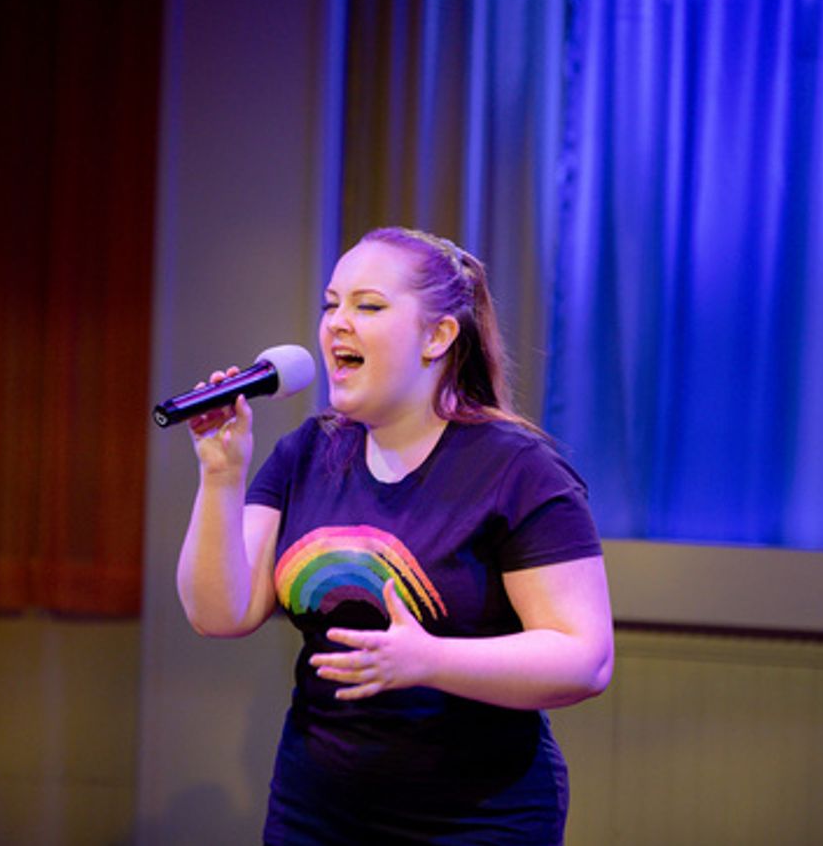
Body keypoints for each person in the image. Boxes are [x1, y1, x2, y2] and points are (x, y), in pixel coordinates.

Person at [177, 227, 614, 845]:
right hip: (316, 813)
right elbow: (219, 612)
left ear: (438, 336)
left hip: (476, 820)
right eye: (332, 303)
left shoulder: (518, 470)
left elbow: (585, 658)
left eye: (369, 305)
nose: (337, 324)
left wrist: (429, 659)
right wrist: (221, 475)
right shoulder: (307, 454)